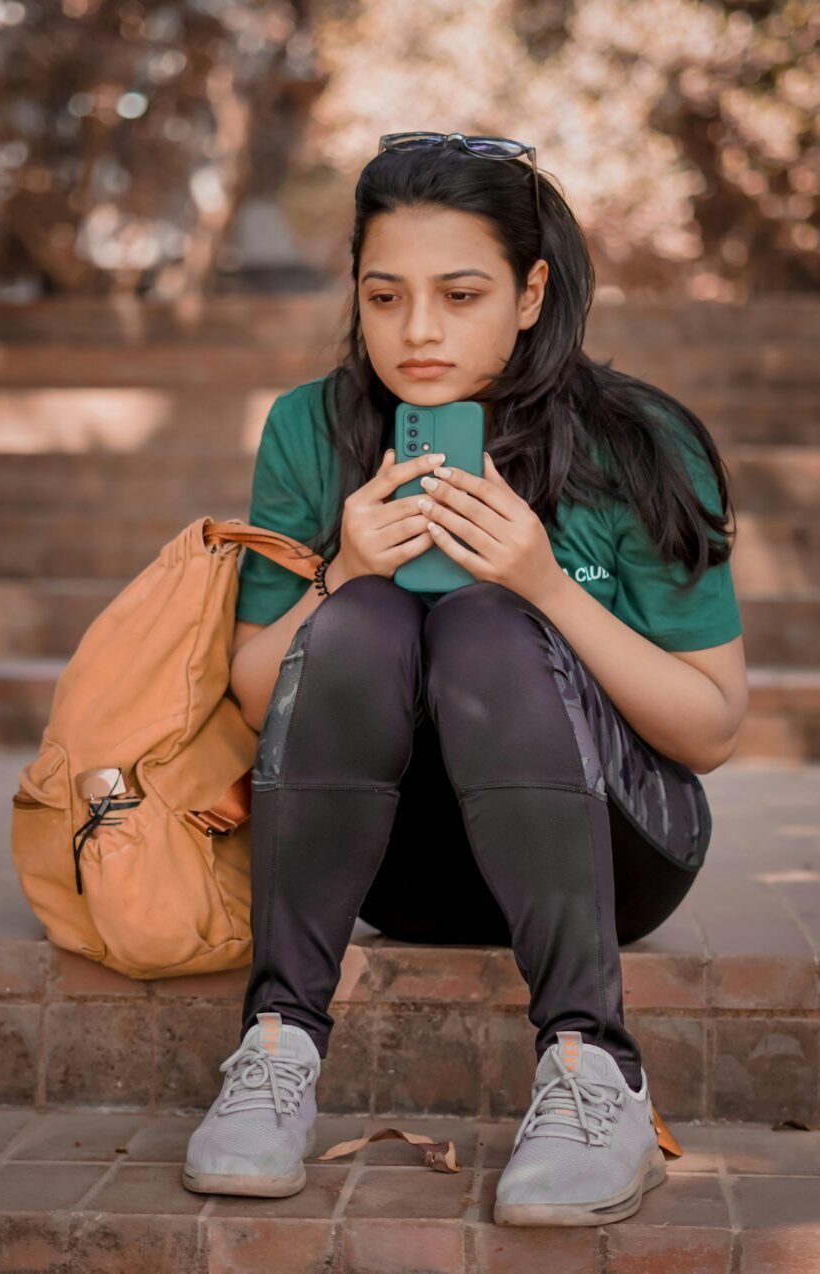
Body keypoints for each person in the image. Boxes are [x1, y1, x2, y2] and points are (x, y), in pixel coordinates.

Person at [182, 132, 748, 1227]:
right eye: (384, 295)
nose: (419, 331)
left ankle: (594, 1067)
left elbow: (713, 728)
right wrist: (342, 570)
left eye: (460, 292)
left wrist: (546, 586)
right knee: (367, 615)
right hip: (388, 868)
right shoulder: (314, 426)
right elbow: (261, 699)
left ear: (532, 291)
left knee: (489, 624)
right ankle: (276, 1046)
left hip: (615, 853)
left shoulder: (636, 440)